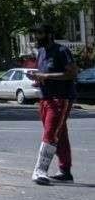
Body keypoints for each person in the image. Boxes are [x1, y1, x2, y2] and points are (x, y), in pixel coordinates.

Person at [31, 26, 77, 183]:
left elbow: (72, 73)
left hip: (60, 99)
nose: (37, 37)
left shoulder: (62, 51)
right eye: (35, 34)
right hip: (45, 98)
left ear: (50, 34)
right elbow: (43, 74)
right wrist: (37, 78)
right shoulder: (42, 52)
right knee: (60, 135)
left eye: (40, 33)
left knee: (50, 133)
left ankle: (40, 171)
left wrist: (46, 76)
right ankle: (65, 170)